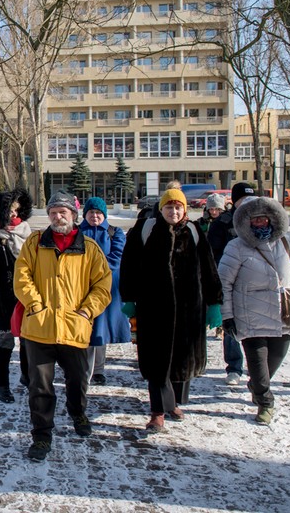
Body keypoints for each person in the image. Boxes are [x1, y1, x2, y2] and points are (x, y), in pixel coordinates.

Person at [13, 191, 112, 461]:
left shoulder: (89, 248)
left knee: (78, 379)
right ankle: (42, 435)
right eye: (53, 212)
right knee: (40, 386)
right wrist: (35, 305)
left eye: (63, 213)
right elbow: (22, 277)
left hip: (74, 329)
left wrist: (85, 312)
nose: (58, 217)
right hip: (39, 329)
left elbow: (102, 286)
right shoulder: (35, 243)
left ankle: (77, 412)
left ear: (73, 216)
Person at [119, 188, 223, 433]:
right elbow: (129, 265)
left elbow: (209, 269)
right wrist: (129, 298)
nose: (173, 212)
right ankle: (157, 412)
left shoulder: (195, 232)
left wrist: (214, 304)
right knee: (157, 362)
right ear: (162, 208)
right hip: (154, 308)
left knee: (181, 361)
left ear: (185, 209)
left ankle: (173, 402)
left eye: (178, 207)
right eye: (169, 207)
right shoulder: (145, 230)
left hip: (190, 310)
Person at [217, 196, 290, 425]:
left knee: (271, 365)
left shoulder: (286, 243)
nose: (259, 223)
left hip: (283, 316)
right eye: (254, 219)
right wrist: (227, 316)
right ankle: (265, 403)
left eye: (263, 219)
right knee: (258, 368)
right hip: (251, 318)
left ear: (272, 219)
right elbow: (224, 284)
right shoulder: (236, 247)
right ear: (246, 222)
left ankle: (257, 386)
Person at [0, 189, 33, 403]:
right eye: (9, 210)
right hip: (3, 298)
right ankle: (2, 385)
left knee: (29, 341)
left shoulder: (26, 232)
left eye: (16, 210)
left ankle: (27, 376)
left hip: (26, 296)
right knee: (5, 343)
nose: (13, 214)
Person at [207, 182, 256, 385]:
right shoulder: (223, 223)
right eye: (242, 199)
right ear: (234, 201)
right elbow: (211, 253)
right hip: (229, 281)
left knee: (256, 330)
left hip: (255, 283)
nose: (247, 203)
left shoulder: (260, 220)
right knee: (231, 324)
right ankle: (234, 367)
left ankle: (257, 369)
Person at [78, 197, 129, 385]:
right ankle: (83, 367)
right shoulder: (78, 232)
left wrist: (96, 270)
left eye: (98, 213)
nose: (95, 216)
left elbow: (117, 256)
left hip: (107, 285)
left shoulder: (115, 232)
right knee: (84, 325)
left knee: (101, 328)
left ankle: (98, 369)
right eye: (91, 213)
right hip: (82, 284)